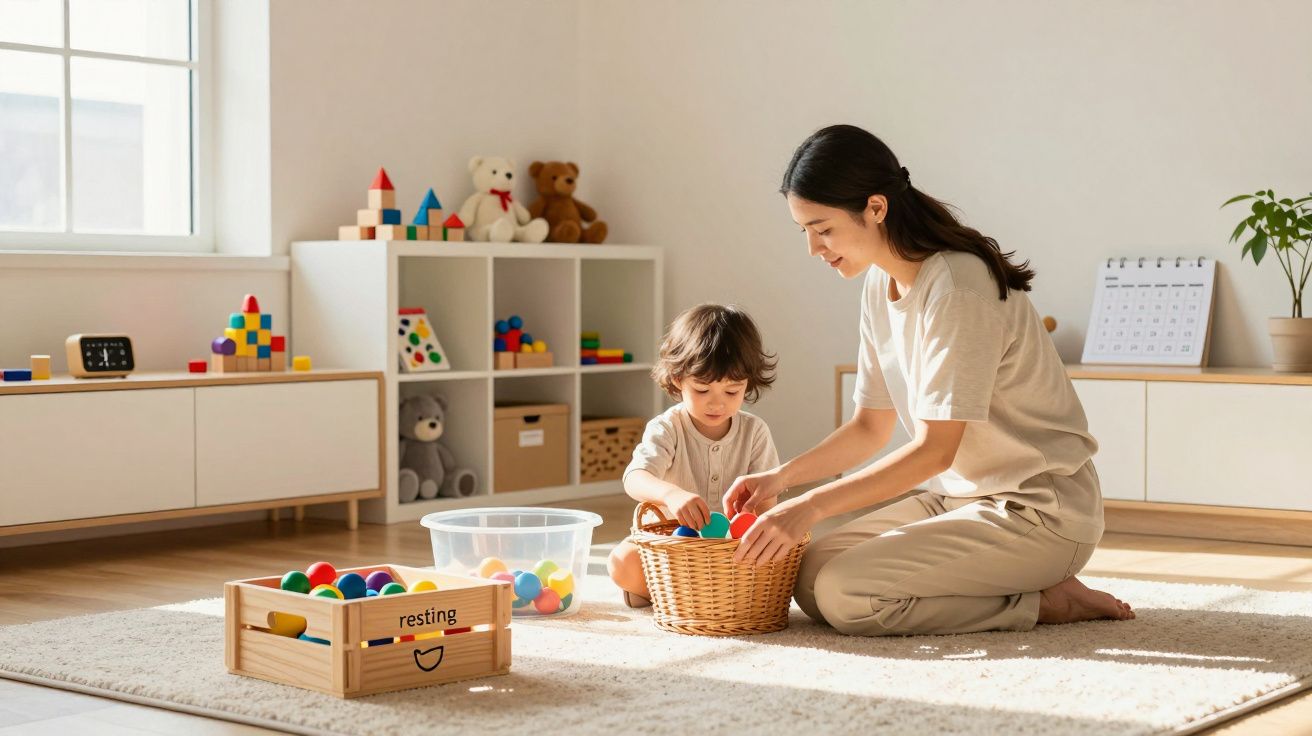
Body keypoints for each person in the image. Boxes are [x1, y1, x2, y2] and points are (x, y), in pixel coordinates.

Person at [724, 124, 1134, 636]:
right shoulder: (879, 284)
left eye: (823, 228)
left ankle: (1045, 603)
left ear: (876, 208)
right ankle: (1018, 588)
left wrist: (809, 506)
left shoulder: (959, 287)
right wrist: (780, 480)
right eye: (804, 230)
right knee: (808, 576)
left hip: (1037, 510)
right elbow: (869, 429)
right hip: (959, 499)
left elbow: (935, 451)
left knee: (846, 595)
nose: (813, 248)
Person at [608, 303, 780, 607]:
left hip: (733, 552)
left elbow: (767, 505)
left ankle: (686, 596)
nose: (717, 404)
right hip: (677, 548)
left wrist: (752, 525)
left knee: (789, 560)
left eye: (732, 392)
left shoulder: (755, 432)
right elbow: (635, 477)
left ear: (748, 384)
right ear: (678, 379)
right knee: (622, 561)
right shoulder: (668, 428)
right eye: (702, 390)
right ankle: (693, 594)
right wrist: (671, 495)